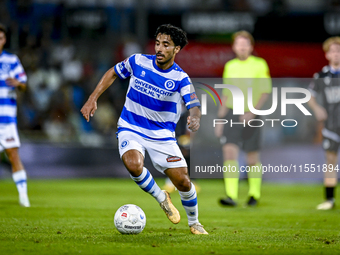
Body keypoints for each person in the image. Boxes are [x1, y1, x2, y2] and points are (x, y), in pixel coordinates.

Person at [81, 24, 208, 234]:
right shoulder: (137, 61)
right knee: (133, 164)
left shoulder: (180, 78)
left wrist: (195, 118)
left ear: (176, 49)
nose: (159, 48)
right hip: (131, 126)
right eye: (157, 43)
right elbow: (113, 72)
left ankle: (194, 223)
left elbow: (193, 105)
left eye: (166, 45)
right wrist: (93, 97)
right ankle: (161, 198)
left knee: (183, 182)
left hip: (162, 136)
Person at [215, 30, 271, 207]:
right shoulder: (230, 66)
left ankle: (254, 194)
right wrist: (220, 119)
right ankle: (231, 195)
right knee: (229, 152)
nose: (242, 47)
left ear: (251, 46)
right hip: (232, 112)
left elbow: (265, 91)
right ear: (234, 47)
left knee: (252, 157)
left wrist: (252, 112)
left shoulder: (259, 64)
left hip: (252, 113)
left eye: (245, 43)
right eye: (239, 43)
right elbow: (226, 94)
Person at [308, 36, 340, 210]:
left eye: (339, 50)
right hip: (331, 126)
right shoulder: (321, 75)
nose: (336, 54)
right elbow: (309, 96)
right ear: (327, 54)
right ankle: (329, 199)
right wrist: (317, 109)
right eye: (333, 51)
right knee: (330, 161)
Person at [0, 23, 30, 207]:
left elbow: (24, 85)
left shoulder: (11, 60)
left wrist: (17, 83)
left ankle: (23, 197)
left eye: (1, 38)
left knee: (13, 155)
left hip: (7, 118)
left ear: (4, 40)